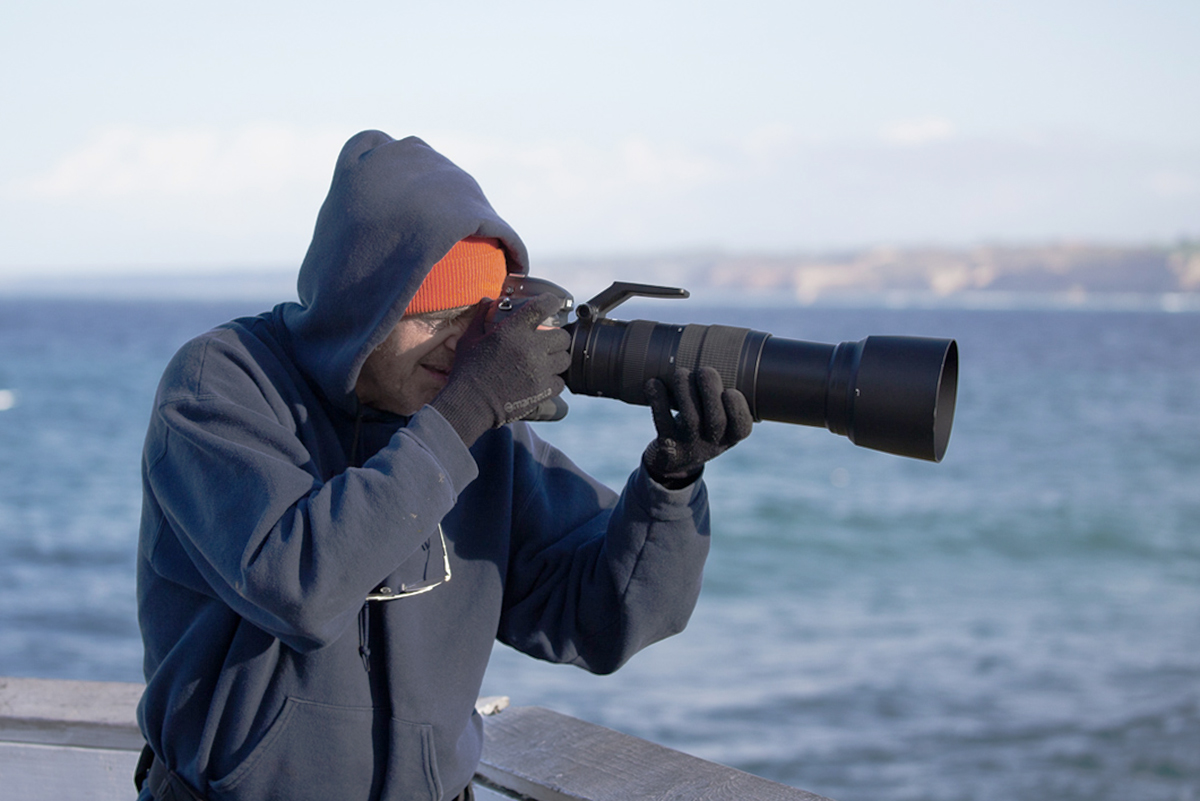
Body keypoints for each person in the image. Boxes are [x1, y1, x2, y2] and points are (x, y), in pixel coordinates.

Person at [134, 130, 753, 801]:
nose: (460, 349)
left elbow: (605, 619)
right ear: (362, 309)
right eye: (437, 318)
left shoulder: (474, 431)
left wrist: (670, 481)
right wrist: (463, 413)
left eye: (478, 323)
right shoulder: (221, 383)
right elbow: (298, 586)